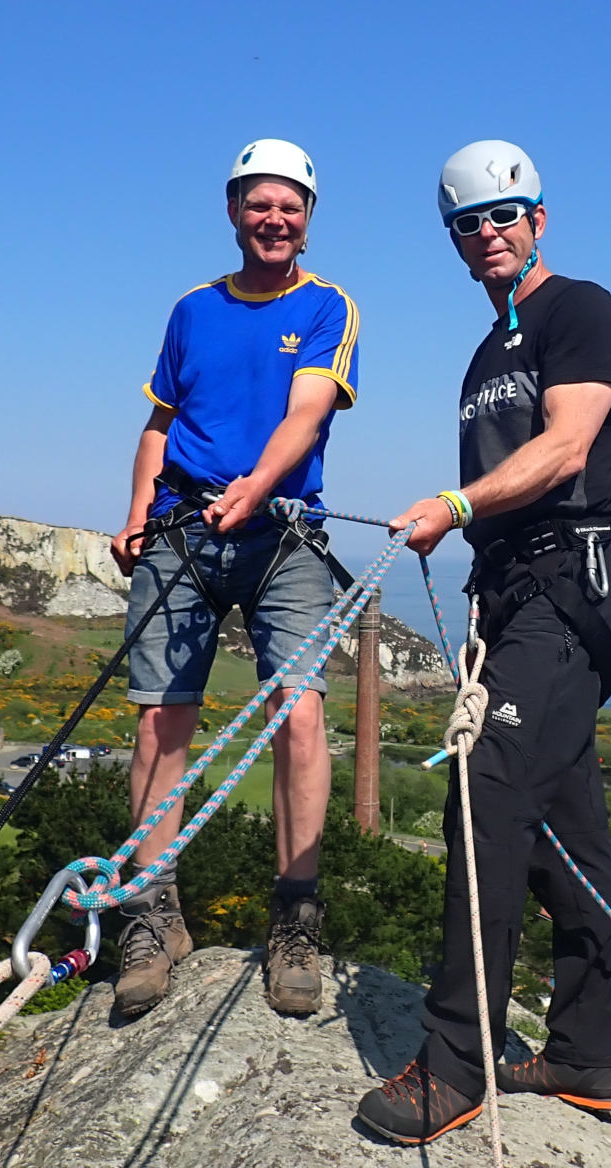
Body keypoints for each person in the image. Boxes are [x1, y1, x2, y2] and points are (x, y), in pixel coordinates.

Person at [357, 140, 611, 1144]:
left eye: (503, 214)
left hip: (573, 580)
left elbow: (567, 445)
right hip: (518, 589)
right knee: (568, 821)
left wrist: (454, 499)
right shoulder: (487, 356)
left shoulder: (582, 311)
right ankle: (587, 1051)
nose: (486, 232)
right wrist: (481, 573)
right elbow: (506, 491)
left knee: (484, 796)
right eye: (467, 223)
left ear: (540, 219)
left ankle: (453, 1062)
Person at [107, 138, 359, 1020]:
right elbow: (158, 421)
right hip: (183, 526)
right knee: (159, 720)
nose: (275, 219)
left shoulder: (330, 307)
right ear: (232, 212)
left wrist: (255, 488)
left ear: (308, 217)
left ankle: (296, 920)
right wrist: (139, 509)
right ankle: (153, 917)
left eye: (290, 206)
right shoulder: (191, 310)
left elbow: (308, 412)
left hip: (282, 530)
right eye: (259, 204)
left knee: (300, 716)